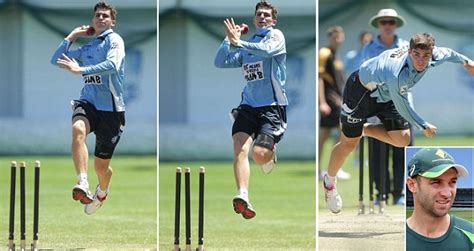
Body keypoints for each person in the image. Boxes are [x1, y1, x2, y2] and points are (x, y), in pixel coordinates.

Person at [322, 32, 474, 214]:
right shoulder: (397, 72)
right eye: (416, 55)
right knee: (348, 144)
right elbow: (402, 106)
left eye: (425, 56)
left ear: (431, 52)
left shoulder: (434, 54)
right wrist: (423, 125)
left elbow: (449, 53)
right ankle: (329, 183)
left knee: (402, 139)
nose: (421, 60)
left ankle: (363, 130)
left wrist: (466, 62)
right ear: (409, 51)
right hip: (360, 92)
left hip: (385, 94)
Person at [50, 1, 126, 215]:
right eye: (97, 16)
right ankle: (82, 183)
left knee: (101, 168)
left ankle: (102, 192)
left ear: (112, 21)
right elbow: (55, 59)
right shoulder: (87, 48)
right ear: (93, 20)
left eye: (105, 16)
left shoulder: (115, 40)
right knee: (78, 130)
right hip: (88, 103)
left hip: (111, 110)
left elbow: (113, 65)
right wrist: (72, 36)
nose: (101, 18)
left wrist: (80, 70)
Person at [214, 1, 287, 219]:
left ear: (273, 20)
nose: (262, 17)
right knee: (239, 147)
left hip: (272, 107)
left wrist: (240, 42)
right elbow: (220, 61)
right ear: (254, 19)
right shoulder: (248, 44)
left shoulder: (276, 37)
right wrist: (228, 40)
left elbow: (267, 51)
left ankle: (270, 153)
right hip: (247, 106)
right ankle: (243, 194)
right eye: (259, 14)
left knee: (260, 155)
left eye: (266, 15)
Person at [363, 8, 410, 205]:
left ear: (396, 24)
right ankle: (379, 193)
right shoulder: (370, 47)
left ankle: (399, 193)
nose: (388, 25)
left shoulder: (406, 46)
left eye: (391, 21)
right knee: (377, 151)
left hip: (401, 103)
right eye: (384, 22)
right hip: (376, 103)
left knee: (402, 149)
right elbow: (365, 74)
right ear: (379, 25)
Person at [406, 148, 473, 250]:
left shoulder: (470, 234)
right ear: (412, 185)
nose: (447, 193)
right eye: (436, 182)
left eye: (452, 182)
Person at [318, 26, 351, 180]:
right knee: (325, 134)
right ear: (330, 38)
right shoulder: (324, 53)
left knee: (339, 132)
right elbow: (320, 78)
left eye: (340, 36)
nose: (338, 39)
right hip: (330, 100)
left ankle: (334, 169)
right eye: (335, 37)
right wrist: (322, 102)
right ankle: (321, 170)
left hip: (338, 98)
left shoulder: (336, 56)